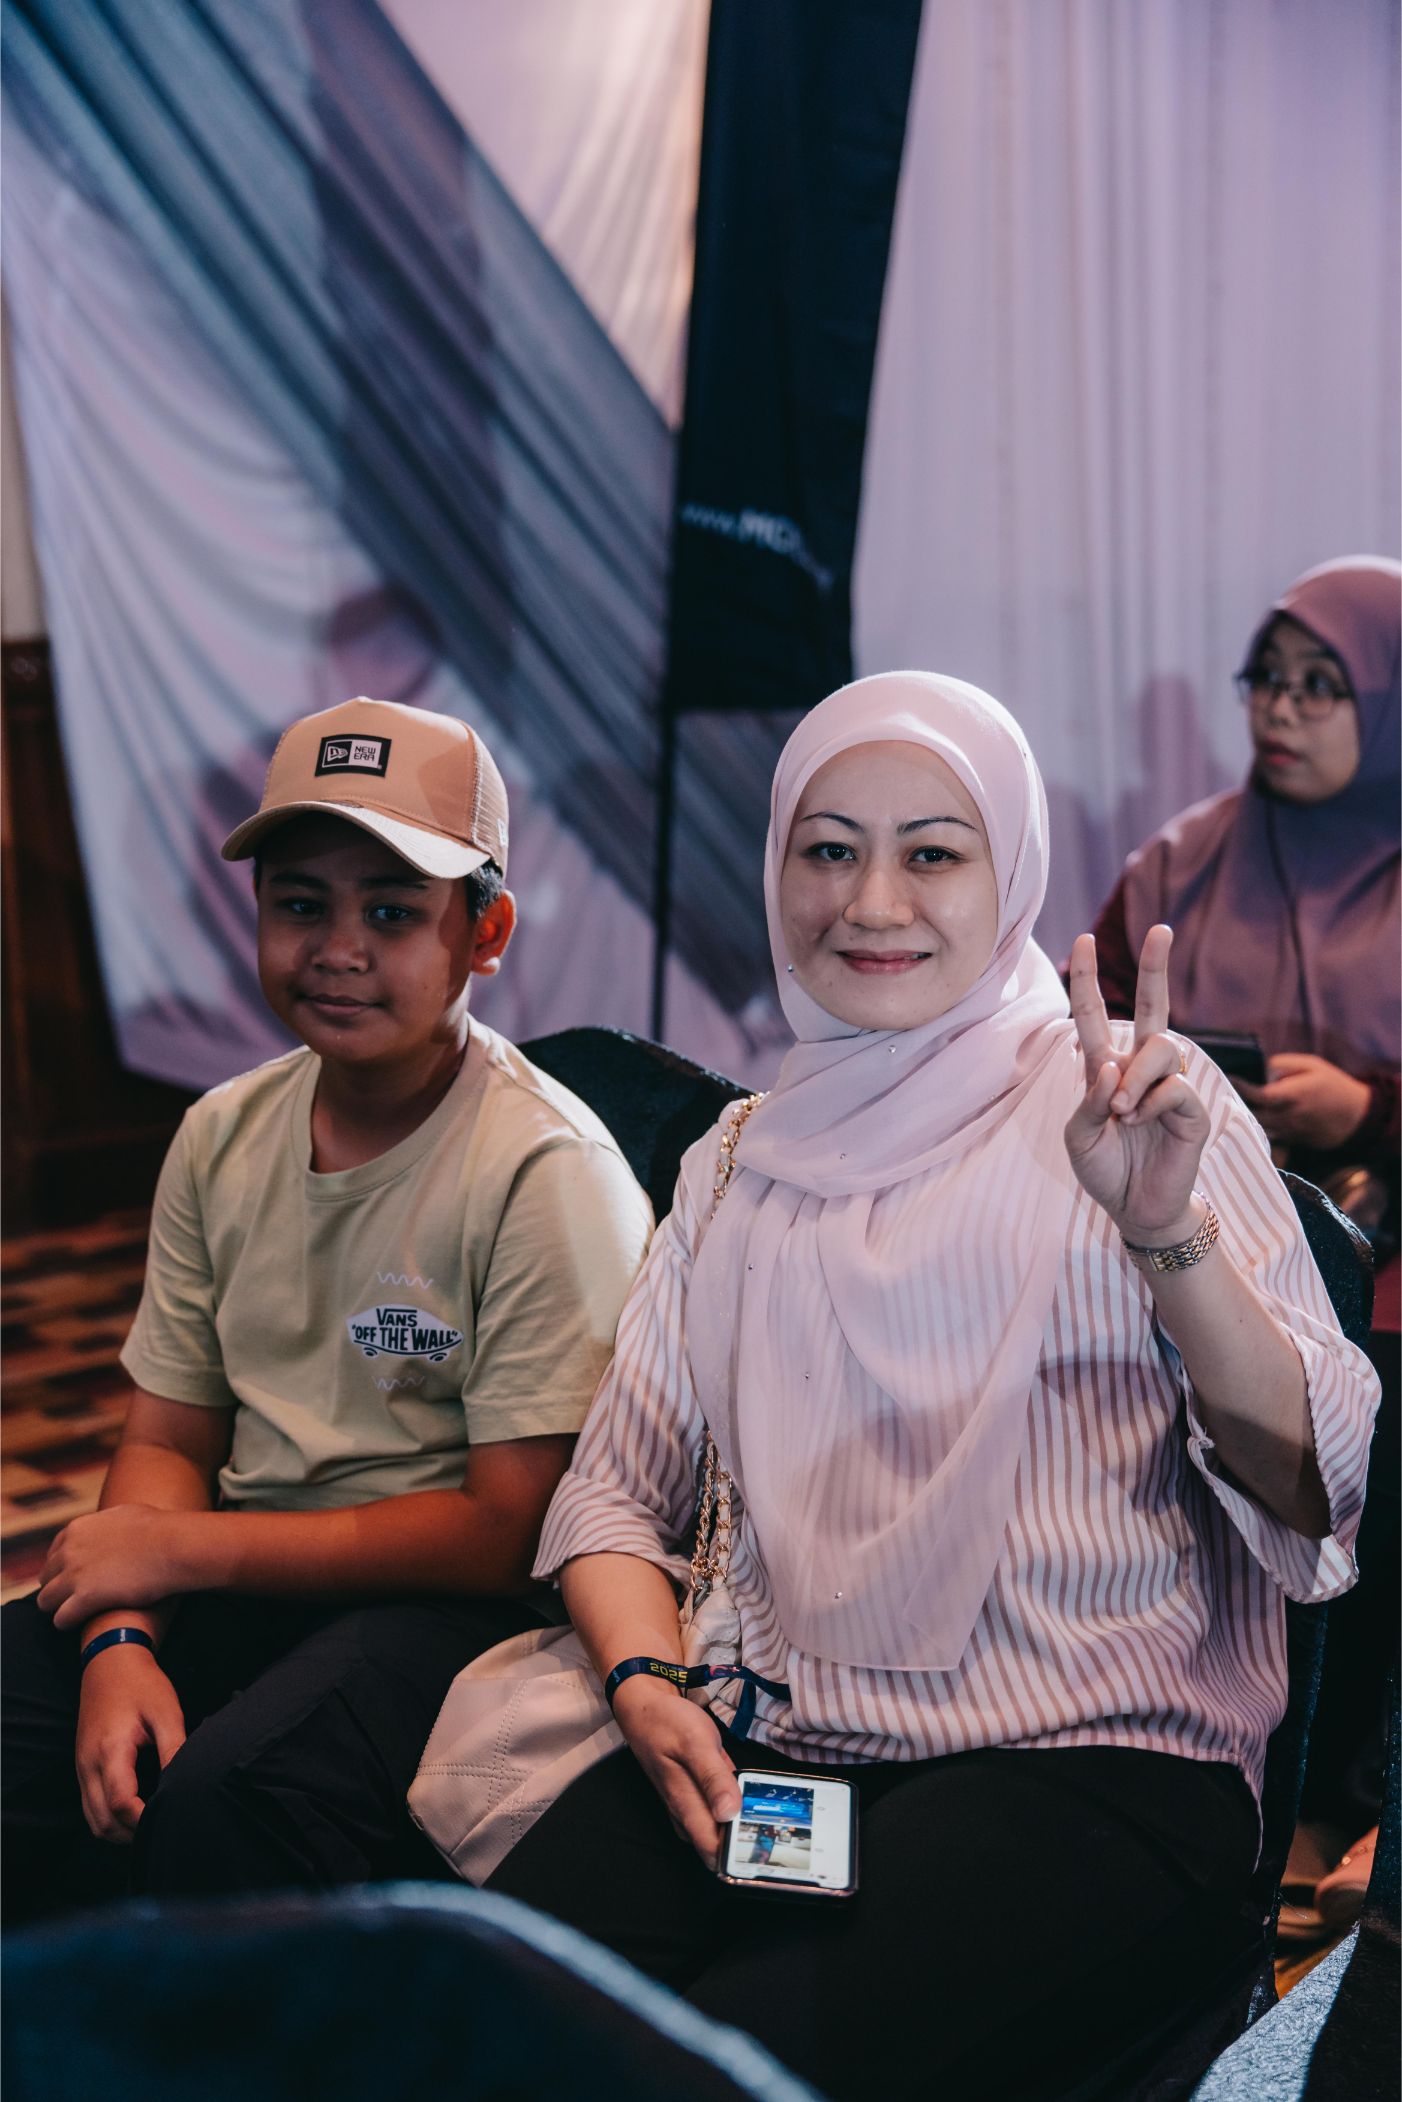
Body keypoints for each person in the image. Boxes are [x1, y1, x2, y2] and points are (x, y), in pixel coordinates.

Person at [487, 671, 1380, 2102]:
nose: (871, 902)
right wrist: (646, 1679)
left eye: (932, 852)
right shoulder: (738, 1160)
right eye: (828, 848)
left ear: (1009, 872)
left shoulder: (1127, 1105)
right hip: (783, 1748)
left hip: (1094, 1761)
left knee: (710, 2068)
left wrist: (1164, 1234)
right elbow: (609, 1495)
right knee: (473, 2016)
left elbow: (1310, 1481)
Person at [1, 697, 652, 1924]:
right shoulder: (220, 1132)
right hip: (246, 1564)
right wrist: (120, 1641)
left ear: (485, 932)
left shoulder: (544, 1170)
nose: (338, 948)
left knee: (229, 1798)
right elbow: (168, 1433)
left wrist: (185, 1550)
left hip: (457, 1612)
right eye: (300, 904)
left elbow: (507, 1527)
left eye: (392, 912)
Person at [1088, 557, 1400, 1842]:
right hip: (1186, 1226)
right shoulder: (1180, 864)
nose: (1280, 707)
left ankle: (1355, 1799)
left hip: (1385, 1238)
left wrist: (1370, 1106)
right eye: (1266, 677)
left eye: (1322, 685)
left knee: (1376, 1397)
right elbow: (1082, 1032)